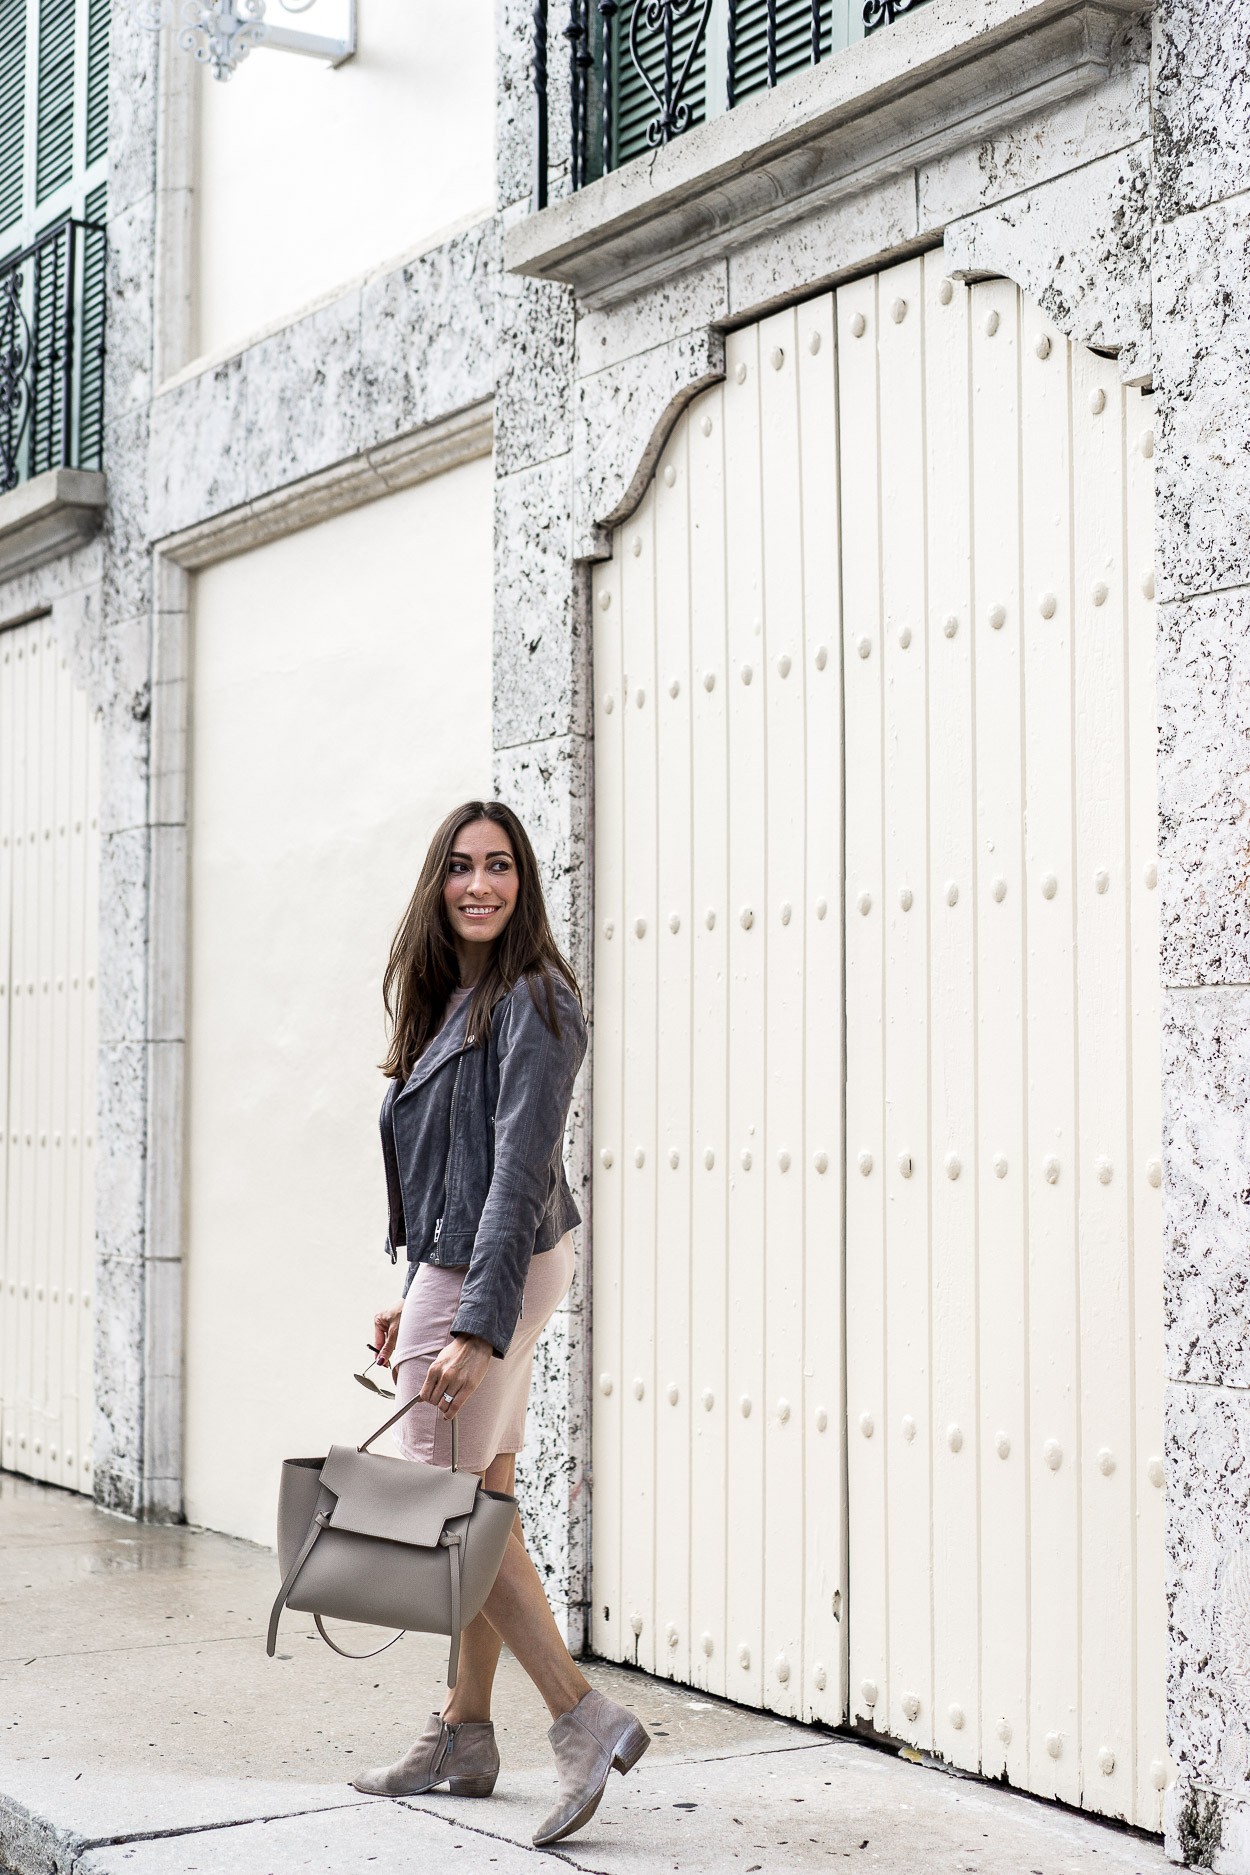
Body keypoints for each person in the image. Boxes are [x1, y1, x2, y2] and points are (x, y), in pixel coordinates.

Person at [351, 800, 649, 1848]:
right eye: (462, 868)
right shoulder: (460, 997)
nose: (481, 885)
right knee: (480, 1495)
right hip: (473, 1267)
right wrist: (419, 1291)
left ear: (524, 884)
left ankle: (580, 1717)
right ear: (437, 884)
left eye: (502, 867)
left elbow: (518, 1169)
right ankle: (463, 1735)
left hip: (495, 1271)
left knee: (445, 1513)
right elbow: (458, 1164)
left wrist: (468, 1324)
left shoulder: (536, 999)